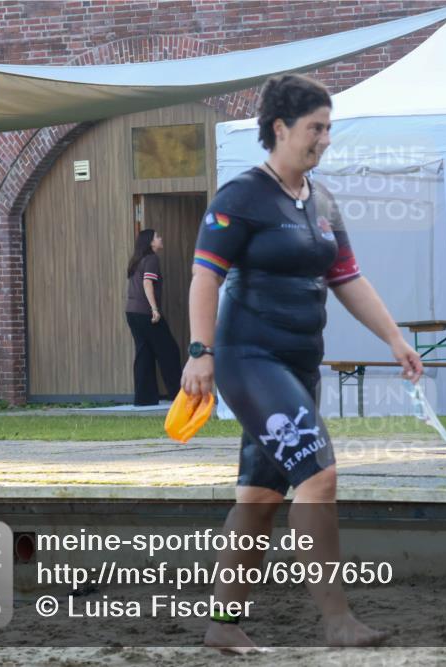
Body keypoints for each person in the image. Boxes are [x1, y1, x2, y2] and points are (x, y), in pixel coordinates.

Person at [181, 73, 424, 653]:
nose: (325, 139)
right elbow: (203, 278)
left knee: (261, 498)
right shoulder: (241, 197)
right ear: (280, 128)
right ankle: (338, 621)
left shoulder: (322, 201)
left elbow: (347, 278)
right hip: (249, 359)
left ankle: (223, 623)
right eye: (316, 128)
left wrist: (395, 338)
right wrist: (200, 353)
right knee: (319, 476)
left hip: (298, 365)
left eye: (329, 128)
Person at [125, 229, 182, 405]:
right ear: (150, 242)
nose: (160, 238)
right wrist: (154, 309)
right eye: (157, 236)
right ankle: (179, 396)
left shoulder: (137, 260)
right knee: (169, 351)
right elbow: (147, 283)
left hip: (132, 312)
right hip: (145, 312)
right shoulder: (151, 259)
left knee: (145, 353)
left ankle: (144, 398)